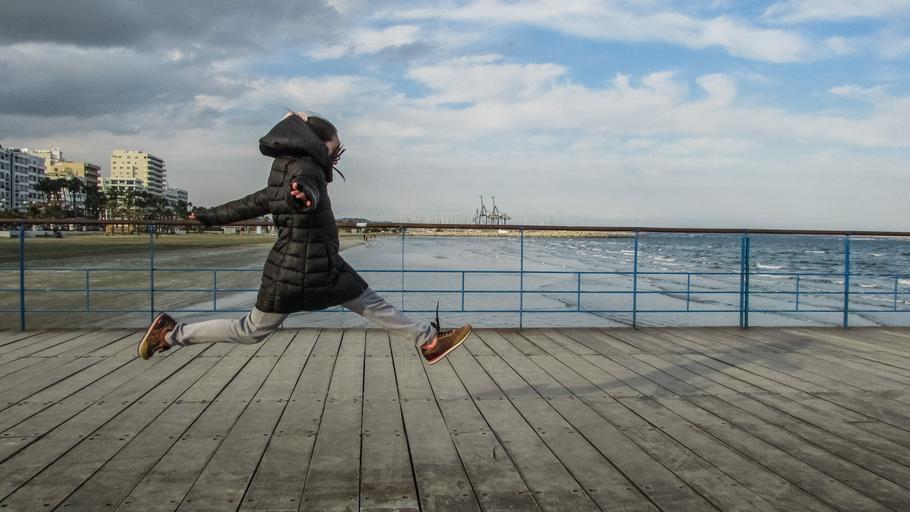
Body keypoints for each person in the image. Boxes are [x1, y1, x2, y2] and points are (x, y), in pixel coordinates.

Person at [137, 112, 471, 364]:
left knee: (252, 330)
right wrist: (304, 198)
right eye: (333, 149)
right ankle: (169, 334)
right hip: (306, 270)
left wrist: (207, 216)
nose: (334, 156)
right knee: (253, 329)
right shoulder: (306, 169)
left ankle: (428, 340)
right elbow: (306, 191)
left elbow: (248, 204)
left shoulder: (285, 170)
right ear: (315, 143)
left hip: (308, 264)